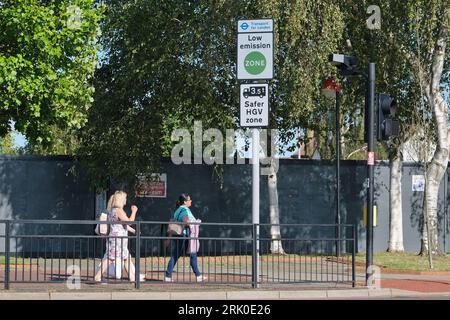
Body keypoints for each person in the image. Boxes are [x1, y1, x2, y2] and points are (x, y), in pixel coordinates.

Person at [94, 191, 145, 283]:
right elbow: (129, 221)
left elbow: (122, 224)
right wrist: (134, 211)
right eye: (125, 198)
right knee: (111, 258)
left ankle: (132, 277)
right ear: (121, 199)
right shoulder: (118, 210)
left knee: (125, 257)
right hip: (118, 239)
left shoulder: (112, 210)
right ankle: (97, 276)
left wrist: (133, 231)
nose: (126, 200)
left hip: (117, 238)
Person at [165, 193, 206, 282]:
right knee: (191, 254)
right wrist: (195, 222)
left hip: (179, 234)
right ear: (185, 201)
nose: (191, 201)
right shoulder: (184, 210)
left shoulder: (177, 210)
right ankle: (168, 276)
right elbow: (186, 221)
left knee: (178, 254)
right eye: (189, 200)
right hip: (185, 235)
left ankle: (168, 275)